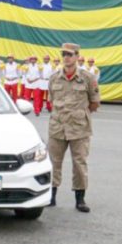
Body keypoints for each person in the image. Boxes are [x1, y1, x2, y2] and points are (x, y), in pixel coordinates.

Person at [48, 42, 101, 212]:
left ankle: (80, 199)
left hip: (79, 128)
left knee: (79, 163)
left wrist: (78, 115)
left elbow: (94, 102)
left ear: (77, 56)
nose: (66, 58)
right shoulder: (54, 78)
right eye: (64, 54)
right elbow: (51, 100)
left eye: (70, 54)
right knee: (53, 162)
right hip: (57, 127)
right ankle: (51, 196)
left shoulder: (87, 78)